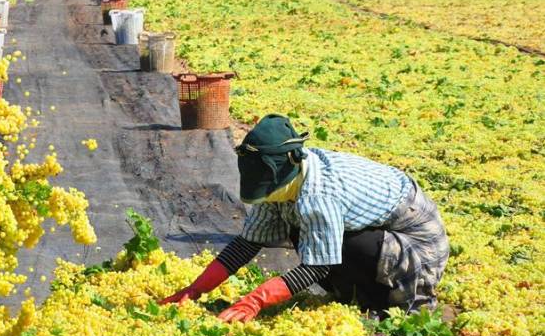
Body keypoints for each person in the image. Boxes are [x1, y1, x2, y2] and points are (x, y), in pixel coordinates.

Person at [160, 114, 449, 322]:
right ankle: (354, 294)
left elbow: (317, 267)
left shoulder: (319, 195)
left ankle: (389, 300)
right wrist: (196, 288)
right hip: (380, 233)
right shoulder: (285, 186)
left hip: (416, 252)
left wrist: (255, 301)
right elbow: (247, 244)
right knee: (304, 232)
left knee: (342, 245)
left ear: (288, 174)